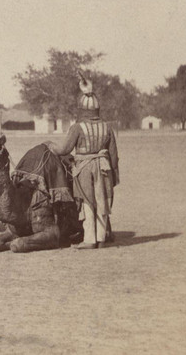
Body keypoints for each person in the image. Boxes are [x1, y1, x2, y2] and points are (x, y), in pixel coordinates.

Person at [46, 74, 120, 249]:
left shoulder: (77, 127)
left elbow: (64, 149)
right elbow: (114, 155)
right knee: (102, 201)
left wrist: (50, 146)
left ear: (81, 109)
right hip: (104, 168)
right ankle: (101, 238)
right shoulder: (107, 127)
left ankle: (90, 240)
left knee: (88, 202)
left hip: (85, 169)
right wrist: (114, 176)